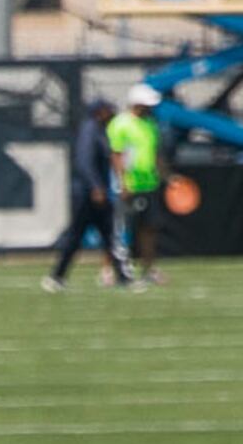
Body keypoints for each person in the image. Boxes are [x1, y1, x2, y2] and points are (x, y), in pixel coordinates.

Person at [46, 97, 133, 290]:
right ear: (99, 112)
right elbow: (85, 162)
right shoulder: (90, 129)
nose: (111, 113)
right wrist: (96, 187)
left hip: (94, 192)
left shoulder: (98, 130)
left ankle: (123, 277)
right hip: (88, 194)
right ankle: (57, 276)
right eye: (108, 110)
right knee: (78, 236)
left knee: (109, 235)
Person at [105, 83, 167, 281]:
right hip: (129, 186)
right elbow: (117, 155)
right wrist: (123, 182)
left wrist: (166, 176)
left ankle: (148, 269)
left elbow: (155, 153)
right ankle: (114, 270)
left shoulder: (150, 124)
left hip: (148, 184)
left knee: (149, 229)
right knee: (122, 232)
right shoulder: (120, 124)